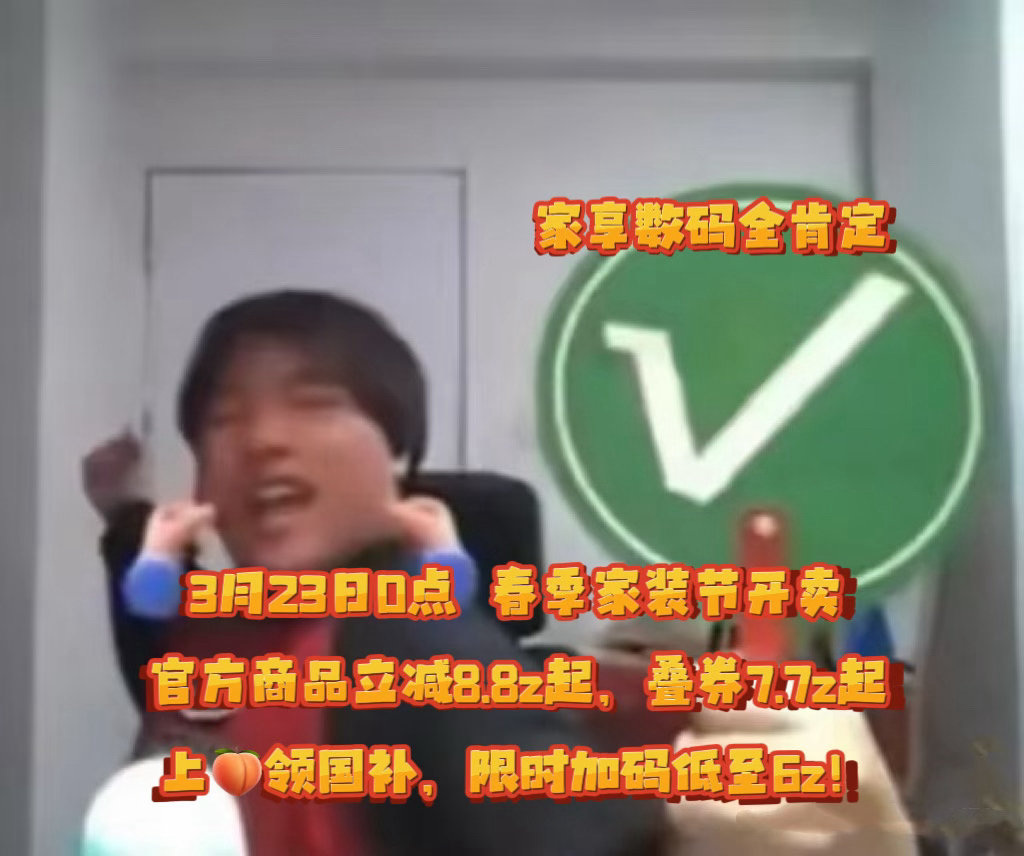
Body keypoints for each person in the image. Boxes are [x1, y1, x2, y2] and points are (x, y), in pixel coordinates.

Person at [91, 290, 667, 856]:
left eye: (315, 404)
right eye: (225, 418)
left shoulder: (416, 646)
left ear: (398, 451)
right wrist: (122, 512)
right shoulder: (207, 630)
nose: (262, 439)